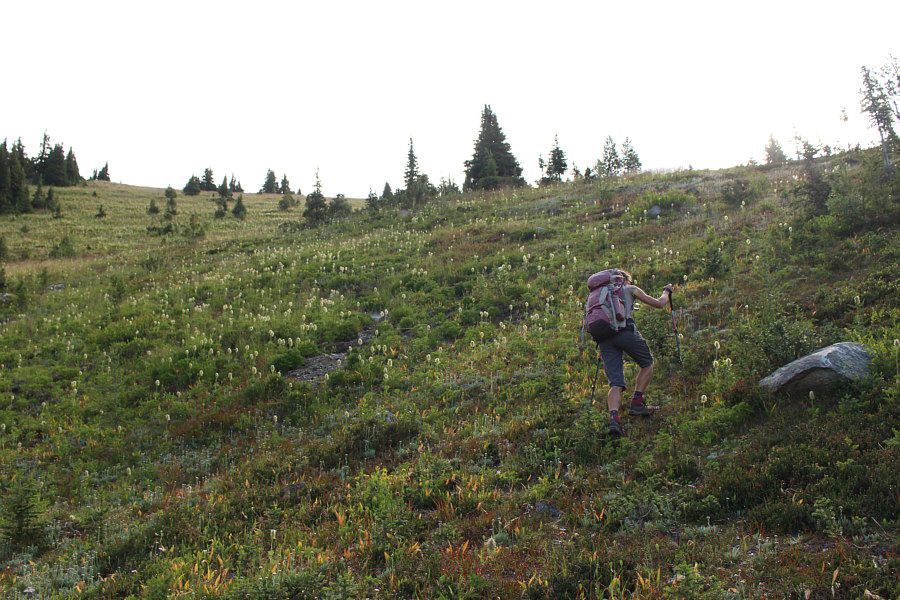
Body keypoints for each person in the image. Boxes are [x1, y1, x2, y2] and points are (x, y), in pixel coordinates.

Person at [587, 270, 673, 437]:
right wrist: (666, 292)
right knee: (647, 362)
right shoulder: (629, 288)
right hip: (625, 332)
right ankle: (637, 402)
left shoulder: (596, 296)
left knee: (615, 382)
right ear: (623, 279)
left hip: (604, 339)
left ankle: (614, 419)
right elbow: (660, 304)